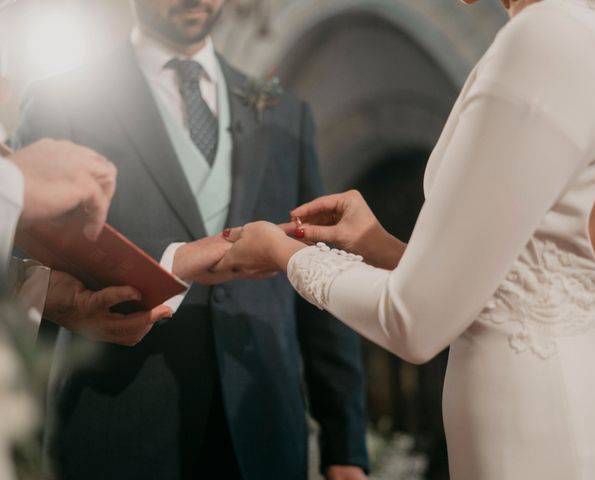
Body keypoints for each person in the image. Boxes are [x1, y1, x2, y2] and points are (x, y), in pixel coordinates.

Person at [216, 0, 595, 478]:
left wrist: (282, 252)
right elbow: (517, 289)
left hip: (538, 428)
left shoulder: (549, 34)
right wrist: (380, 246)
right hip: (578, 408)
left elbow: (412, 322)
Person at [13, 1, 369, 479]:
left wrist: (344, 445)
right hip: (116, 428)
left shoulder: (287, 114)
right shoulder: (62, 99)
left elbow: (321, 274)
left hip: (264, 430)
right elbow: (21, 257)